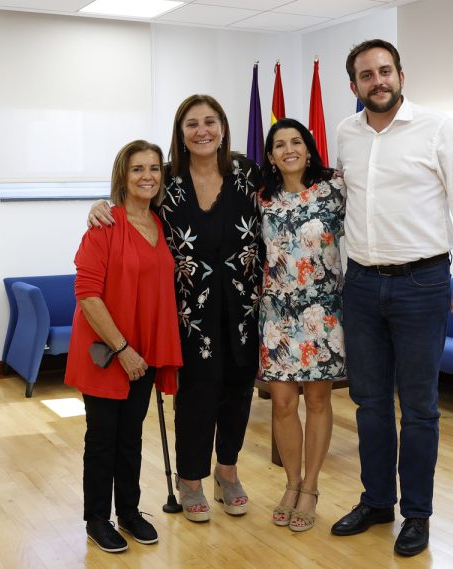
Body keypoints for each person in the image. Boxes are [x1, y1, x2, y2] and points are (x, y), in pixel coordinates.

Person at [329, 39, 453, 557]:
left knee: (420, 408)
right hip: (360, 285)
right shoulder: (346, 134)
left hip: (422, 285)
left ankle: (416, 515)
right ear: (353, 85)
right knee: (369, 403)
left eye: (385, 71)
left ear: (401, 74)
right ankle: (378, 501)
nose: (377, 81)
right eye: (366, 74)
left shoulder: (438, 129)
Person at [88, 95, 262, 523]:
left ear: (222, 127)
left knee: (238, 392)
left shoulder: (247, 173)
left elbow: (297, 182)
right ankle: (190, 480)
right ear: (179, 134)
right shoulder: (167, 181)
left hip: (242, 308)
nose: (201, 131)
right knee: (197, 396)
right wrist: (99, 207)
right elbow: (131, 206)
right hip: (186, 312)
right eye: (191, 124)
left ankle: (228, 472)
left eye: (210, 121)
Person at [65, 140, 183, 553]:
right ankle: (97, 518)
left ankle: (129, 512)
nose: (147, 175)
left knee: (131, 436)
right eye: (137, 169)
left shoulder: (163, 224)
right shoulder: (103, 226)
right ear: (123, 176)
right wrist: (122, 348)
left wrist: (142, 351)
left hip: (146, 350)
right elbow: (87, 294)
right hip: (107, 351)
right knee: (102, 438)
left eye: (154, 168)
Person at [258, 118, 345, 532]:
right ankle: (290, 483)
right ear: (271, 157)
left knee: (317, 403)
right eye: (279, 144)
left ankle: (310, 487)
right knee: (283, 403)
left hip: (323, 314)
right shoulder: (260, 199)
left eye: (296, 142)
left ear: (309, 150)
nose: (288, 148)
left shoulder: (333, 192)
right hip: (277, 317)